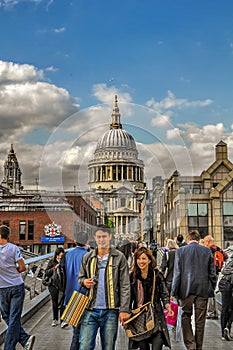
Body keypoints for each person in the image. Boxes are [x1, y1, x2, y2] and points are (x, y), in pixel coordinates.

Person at [78, 224, 131, 350]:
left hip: (110, 310)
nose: (102, 240)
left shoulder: (119, 257)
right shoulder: (88, 257)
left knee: (108, 346)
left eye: (104, 237)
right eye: (99, 237)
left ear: (110, 237)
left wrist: (124, 309)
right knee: (84, 345)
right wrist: (84, 281)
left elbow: (125, 285)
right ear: (95, 238)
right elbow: (80, 278)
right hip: (90, 309)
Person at [171, 230, 217, 350]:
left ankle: (190, 344)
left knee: (185, 316)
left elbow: (177, 274)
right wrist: (211, 288)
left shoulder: (180, 251)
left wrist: (173, 292)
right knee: (200, 321)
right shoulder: (207, 251)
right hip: (202, 290)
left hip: (185, 291)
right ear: (198, 239)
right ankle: (199, 346)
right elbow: (213, 273)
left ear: (188, 239)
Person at [128, 246, 172, 350]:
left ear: (149, 260)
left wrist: (167, 306)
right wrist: (126, 312)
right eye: (138, 259)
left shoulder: (157, 275)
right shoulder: (132, 277)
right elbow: (128, 297)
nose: (141, 261)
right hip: (139, 319)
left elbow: (164, 293)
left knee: (157, 345)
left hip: (155, 316)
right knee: (143, 347)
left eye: (144, 258)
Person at [0, 225, 35, 350]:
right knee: (14, 317)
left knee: (7, 317)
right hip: (17, 285)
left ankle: (9, 347)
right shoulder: (14, 248)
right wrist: (12, 270)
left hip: (2, 288)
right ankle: (25, 339)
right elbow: (23, 267)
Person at [63, 231, 90, 350]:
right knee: (80, 333)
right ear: (87, 242)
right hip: (83, 296)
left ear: (74, 241)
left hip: (69, 296)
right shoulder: (88, 256)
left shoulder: (67, 254)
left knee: (76, 331)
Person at [203, 234, 228, 319]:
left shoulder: (208, 250)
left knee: (209, 293)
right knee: (213, 292)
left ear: (208, 241)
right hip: (217, 273)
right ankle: (215, 312)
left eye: (205, 241)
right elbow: (226, 257)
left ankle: (211, 312)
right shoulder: (218, 249)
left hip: (209, 274)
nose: (204, 243)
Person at [45, 247, 66, 327]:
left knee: (62, 302)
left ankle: (62, 320)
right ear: (57, 255)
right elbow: (47, 272)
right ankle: (55, 319)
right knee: (54, 302)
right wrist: (54, 268)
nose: (61, 257)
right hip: (53, 285)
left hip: (61, 284)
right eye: (60, 255)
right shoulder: (51, 262)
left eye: (62, 255)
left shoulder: (64, 263)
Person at [218, 259, 233, 341]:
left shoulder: (230, 262)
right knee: (229, 309)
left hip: (223, 283)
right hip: (229, 285)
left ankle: (224, 333)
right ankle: (227, 327)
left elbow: (224, 271)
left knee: (225, 308)